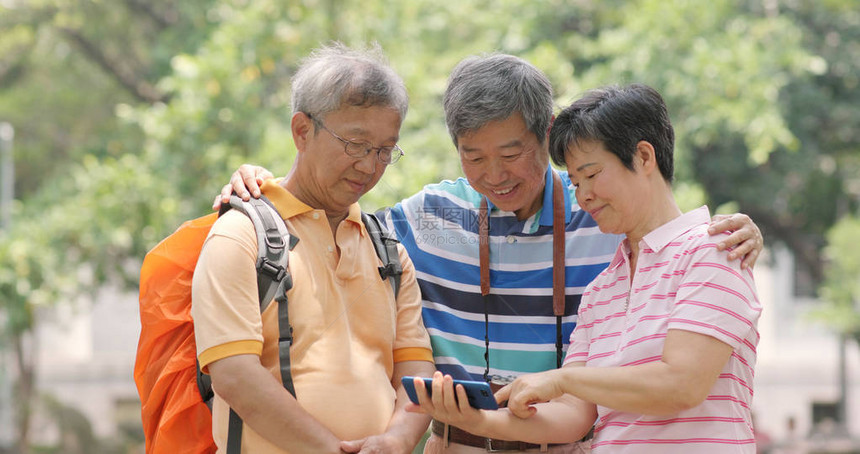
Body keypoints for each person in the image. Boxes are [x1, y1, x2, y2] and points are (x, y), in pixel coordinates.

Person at [219, 54, 763, 453]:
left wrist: (734, 234)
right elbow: (329, 221)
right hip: (460, 443)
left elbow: (664, 228)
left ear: (545, 136)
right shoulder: (429, 218)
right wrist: (262, 185)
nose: (494, 176)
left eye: (511, 153)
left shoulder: (599, 215)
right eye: (474, 157)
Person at [408, 83, 762, 453]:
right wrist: (478, 420)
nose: (583, 195)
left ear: (643, 157)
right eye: (575, 182)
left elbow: (682, 385)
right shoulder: (602, 289)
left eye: (592, 175)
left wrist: (563, 379)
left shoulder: (714, 250)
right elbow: (573, 416)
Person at [191, 43, 435, 454]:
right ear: (302, 130)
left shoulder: (389, 251)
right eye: (356, 144)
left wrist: (397, 440)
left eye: (384, 150)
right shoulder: (242, 236)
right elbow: (233, 376)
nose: (370, 166)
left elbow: (416, 369)